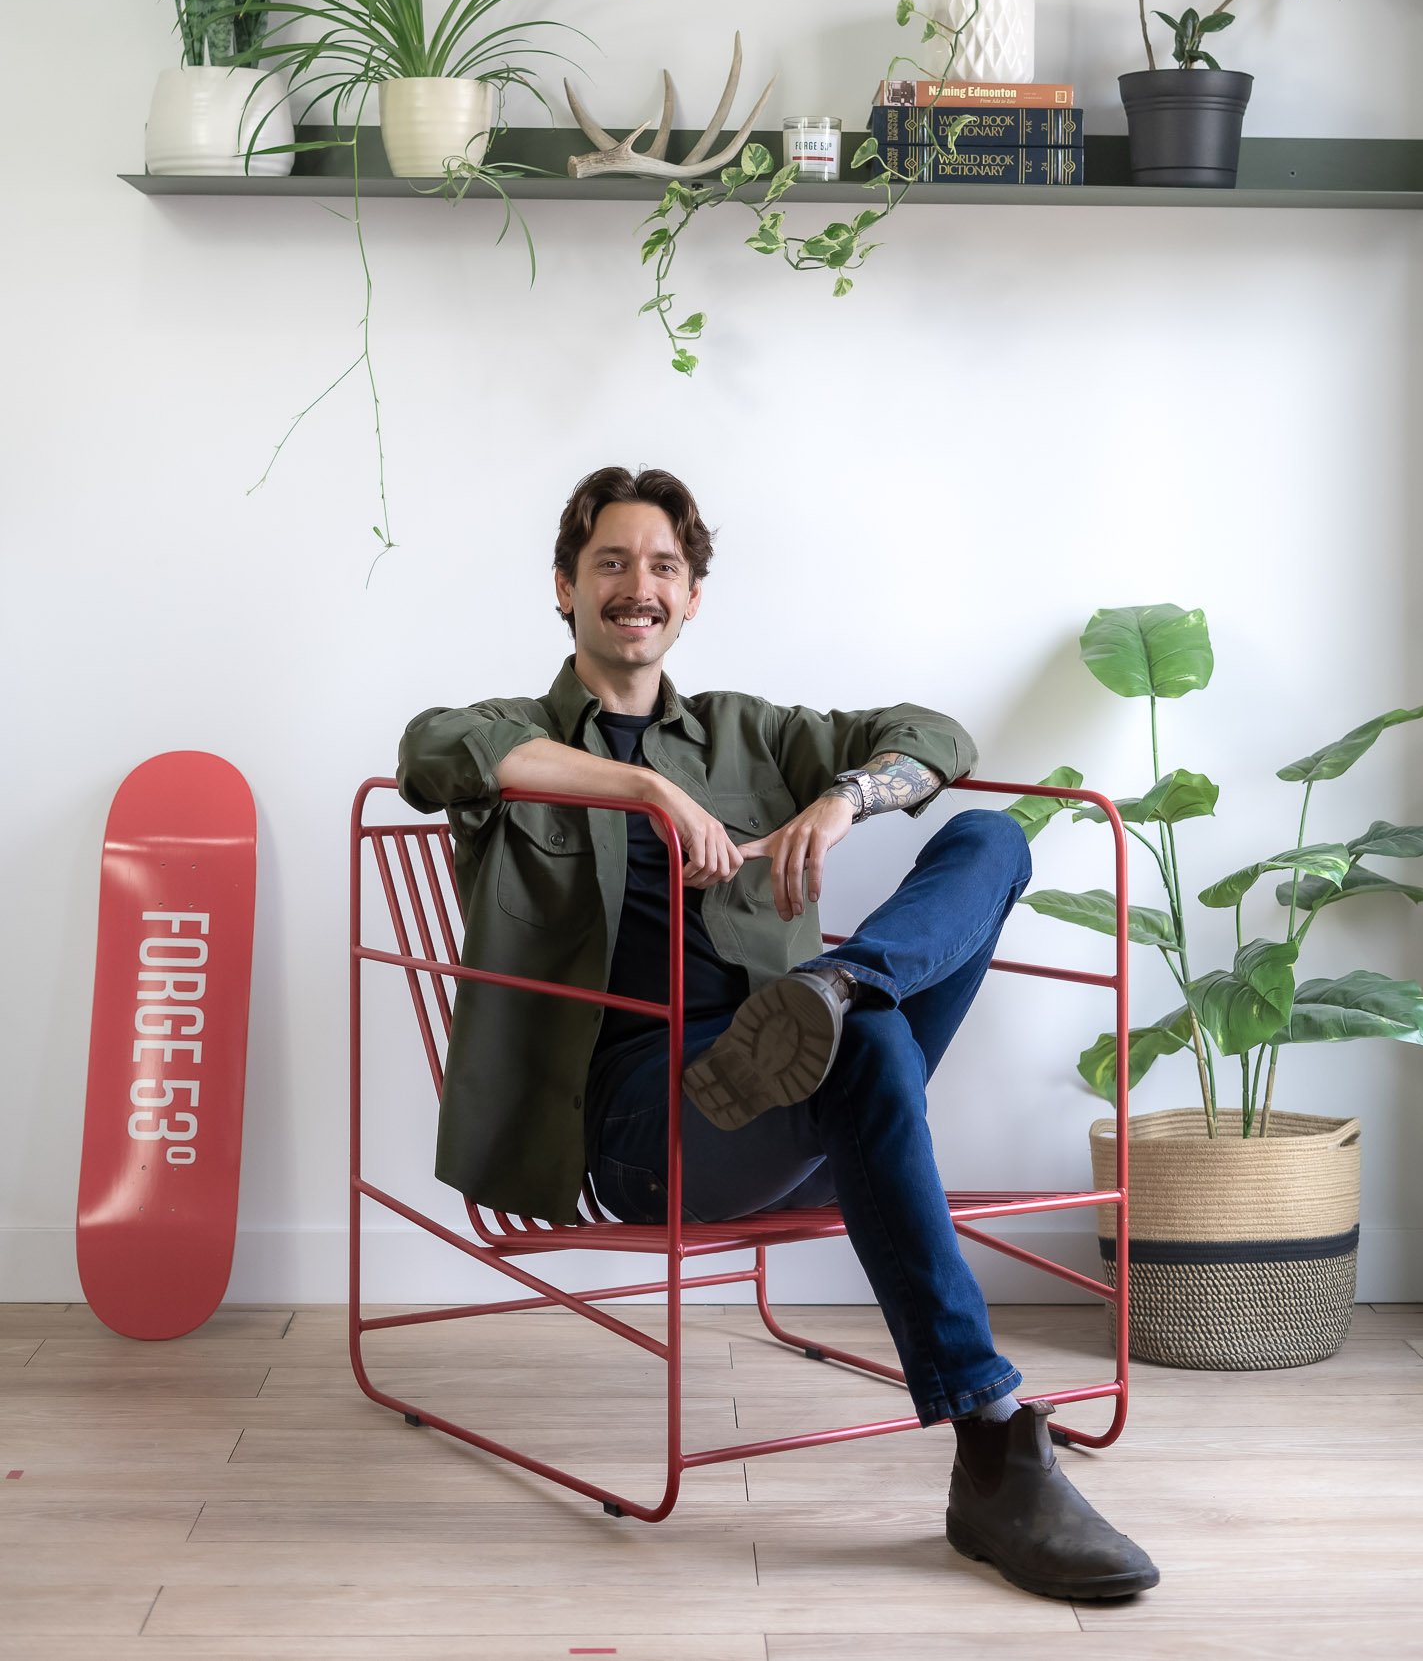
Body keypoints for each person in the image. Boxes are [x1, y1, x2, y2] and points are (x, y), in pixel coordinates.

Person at [397, 464, 1157, 1604]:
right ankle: (995, 1442)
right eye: (611, 562)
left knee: (991, 842)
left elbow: (935, 735)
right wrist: (645, 791)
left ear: (693, 596)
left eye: (664, 566)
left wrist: (845, 799)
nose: (639, 586)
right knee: (871, 1051)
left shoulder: (750, 735)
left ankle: (844, 984)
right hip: (652, 1125)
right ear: (565, 587)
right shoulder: (517, 735)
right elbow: (428, 748)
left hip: (808, 1071)